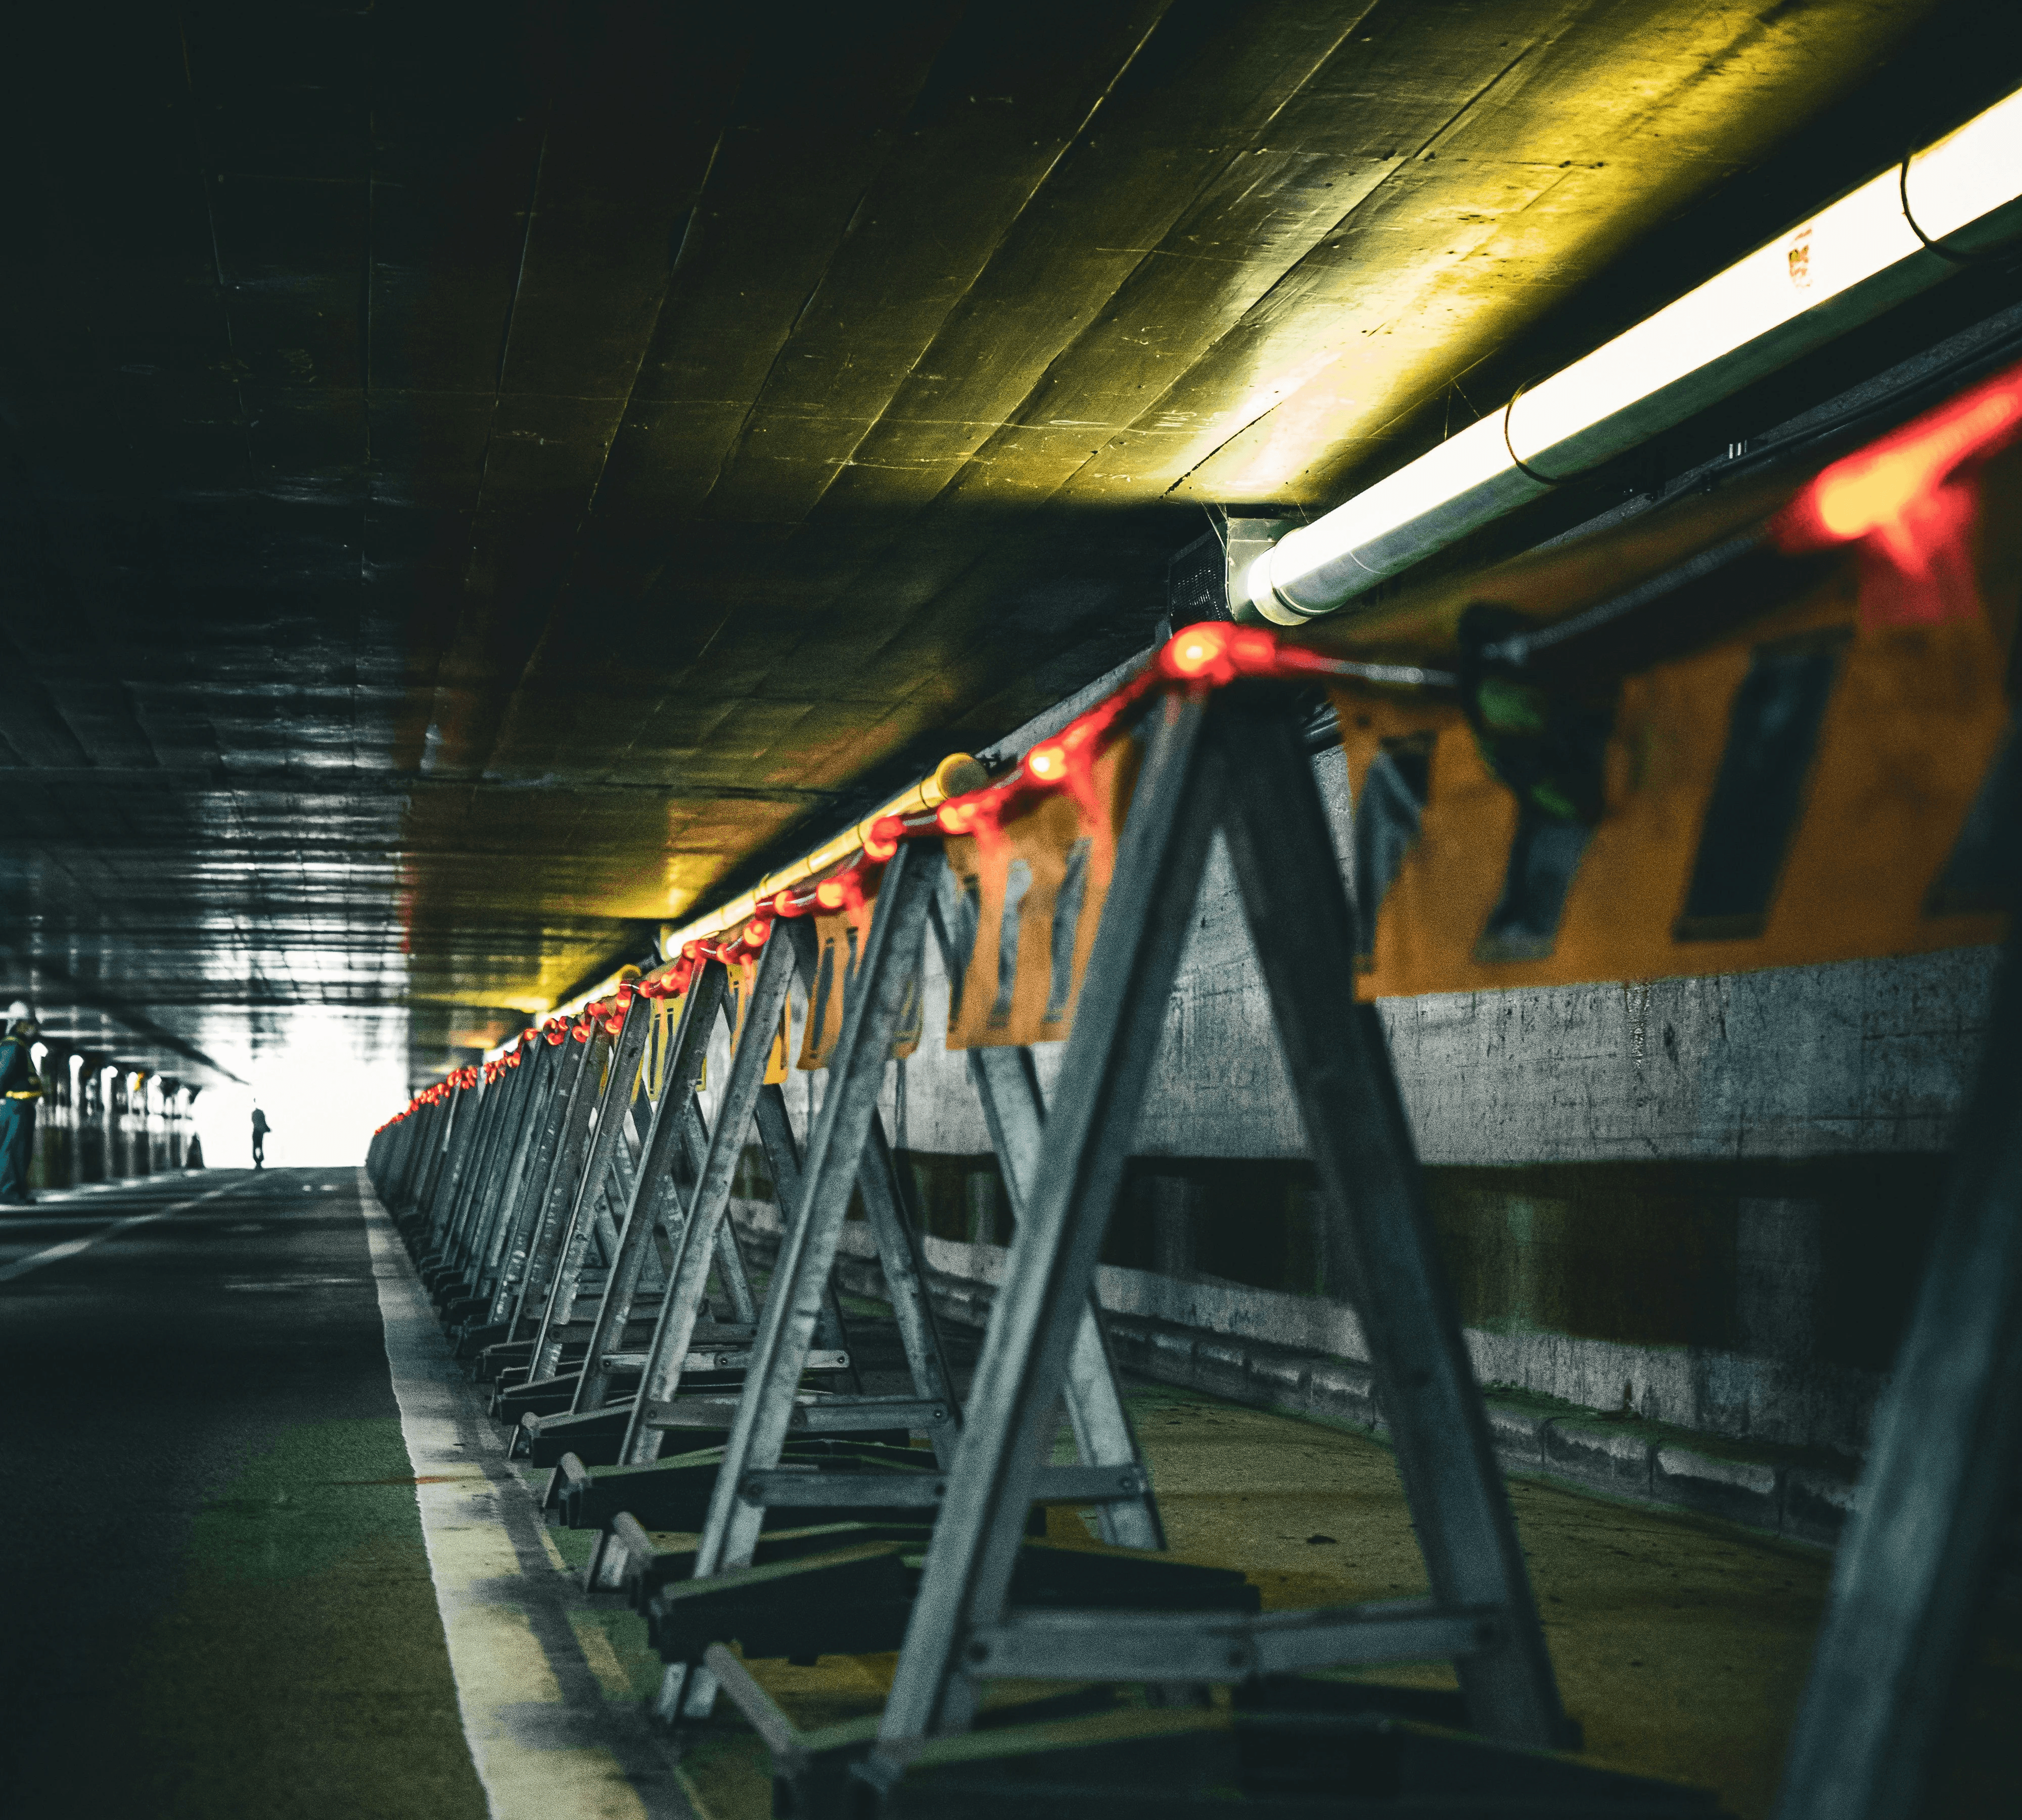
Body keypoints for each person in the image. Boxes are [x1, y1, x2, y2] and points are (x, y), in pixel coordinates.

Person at [0, 1002, 45, 1206]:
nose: (33, 1028)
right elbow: (2, 1075)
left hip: (22, 1108)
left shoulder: (20, 1046)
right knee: (12, 1150)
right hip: (15, 1107)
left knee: (21, 1151)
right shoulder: (12, 1046)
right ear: (18, 1024)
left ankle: (17, 1191)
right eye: (29, 1023)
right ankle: (8, 1192)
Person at [251, 1104, 271, 1170]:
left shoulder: (255, 1114)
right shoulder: (260, 1114)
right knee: (259, 1147)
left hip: (256, 1132)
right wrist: (267, 1129)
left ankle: (258, 1162)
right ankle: (259, 1162)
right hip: (259, 1133)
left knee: (257, 1147)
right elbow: (263, 1123)